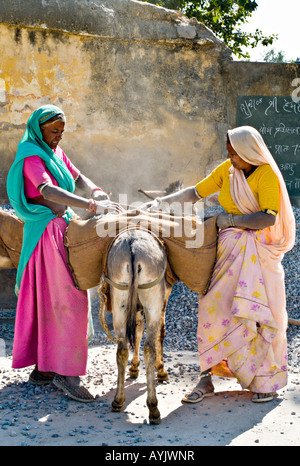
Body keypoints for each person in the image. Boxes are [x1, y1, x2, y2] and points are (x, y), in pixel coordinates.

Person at [145, 126, 295, 403]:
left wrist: (232, 220)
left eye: (234, 153)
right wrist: (161, 202)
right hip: (224, 254)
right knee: (213, 312)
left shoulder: (266, 175)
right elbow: (196, 192)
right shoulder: (227, 171)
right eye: (229, 152)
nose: (230, 157)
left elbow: (268, 218)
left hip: (258, 258)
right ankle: (206, 378)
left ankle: (262, 381)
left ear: (248, 151)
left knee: (256, 316)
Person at [6, 104, 123, 402]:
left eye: (61, 132)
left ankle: (45, 368)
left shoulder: (54, 152)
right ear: (38, 129)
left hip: (61, 229)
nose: (58, 137)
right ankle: (67, 373)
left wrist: (95, 190)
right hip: (47, 235)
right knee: (70, 299)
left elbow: (78, 175)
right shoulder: (32, 155)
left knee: (47, 299)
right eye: (53, 131)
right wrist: (92, 206)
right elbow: (46, 190)